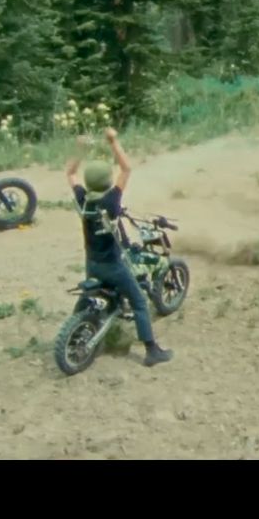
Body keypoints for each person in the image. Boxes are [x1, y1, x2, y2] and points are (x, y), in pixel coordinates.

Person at [66, 128, 173, 367]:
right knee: (139, 302)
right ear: (107, 181)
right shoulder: (111, 202)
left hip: (92, 262)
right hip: (113, 265)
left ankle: (76, 331)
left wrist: (80, 149)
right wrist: (114, 142)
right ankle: (151, 350)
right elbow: (126, 169)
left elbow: (70, 172)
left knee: (87, 296)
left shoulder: (83, 200)